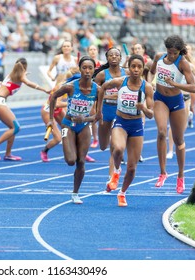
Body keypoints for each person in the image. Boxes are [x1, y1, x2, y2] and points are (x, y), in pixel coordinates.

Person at [47, 56, 103, 204]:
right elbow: (53, 97)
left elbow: (98, 116)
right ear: (80, 69)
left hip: (84, 125)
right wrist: (51, 119)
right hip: (68, 124)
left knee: (81, 161)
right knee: (71, 161)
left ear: (94, 70)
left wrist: (84, 119)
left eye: (90, 68)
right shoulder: (70, 86)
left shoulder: (98, 90)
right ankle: (67, 144)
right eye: (84, 68)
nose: (87, 71)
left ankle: (75, 193)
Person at [101, 54, 154, 206]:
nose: (136, 69)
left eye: (139, 67)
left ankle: (122, 193)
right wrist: (98, 109)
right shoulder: (120, 82)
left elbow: (151, 114)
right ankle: (116, 171)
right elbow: (103, 87)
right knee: (118, 149)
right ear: (128, 68)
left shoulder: (147, 87)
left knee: (131, 168)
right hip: (121, 122)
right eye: (133, 66)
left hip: (136, 125)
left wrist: (143, 108)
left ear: (143, 69)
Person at [148, 35, 195, 194]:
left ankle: (181, 176)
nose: (171, 56)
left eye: (174, 53)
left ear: (179, 51)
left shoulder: (183, 64)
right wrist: (150, 84)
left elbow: (193, 88)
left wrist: (174, 83)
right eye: (169, 52)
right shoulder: (158, 57)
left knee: (178, 139)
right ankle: (163, 173)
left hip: (176, 101)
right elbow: (151, 71)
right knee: (161, 132)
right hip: (160, 98)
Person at [0, 58, 50, 161]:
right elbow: (30, 84)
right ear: (25, 67)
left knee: (12, 128)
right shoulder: (20, 77)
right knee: (16, 127)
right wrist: (44, 89)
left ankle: (8, 154)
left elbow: (21, 77)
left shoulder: (12, 74)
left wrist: (24, 74)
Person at [40, 67, 95, 163]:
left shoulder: (75, 85)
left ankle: (82, 153)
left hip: (59, 110)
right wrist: (72, 103)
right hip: (49, 111)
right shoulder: (65, 86)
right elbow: (56, 103)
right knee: (58, 138)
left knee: (72, 129)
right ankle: (44, 151)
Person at [166, 48, 195, 159]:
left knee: (182, 126)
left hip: (186, 99)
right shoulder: (172, 65)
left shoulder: (190, 66)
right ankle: (170, 150)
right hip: (175, 98)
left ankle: (179, 143)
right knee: (172, 125)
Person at [93, 47, 127, 177]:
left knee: (114, 145)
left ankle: (112, 176)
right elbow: (95, 94)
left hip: (120, 112)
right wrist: (96, 111)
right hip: (105, 111)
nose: (113, 57)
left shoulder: (126, 74)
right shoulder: (102, 75)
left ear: (120, 58)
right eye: (111, 55)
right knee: (103, 145)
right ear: (107, 58)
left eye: (116, 55)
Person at [87, 44, 104, 148]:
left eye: (94, 49)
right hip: (88, 91)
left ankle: (103, 136)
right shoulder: (85, 64)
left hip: (99, 91)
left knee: (100, 115)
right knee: (92, 115)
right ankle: (95, 138)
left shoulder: (101, 64)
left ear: (97, 51)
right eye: (91, 49)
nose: (92, 51)